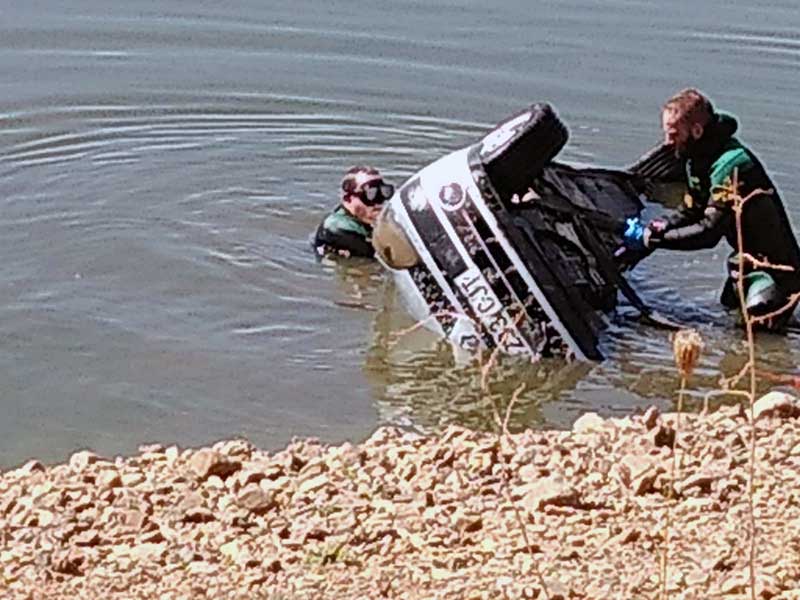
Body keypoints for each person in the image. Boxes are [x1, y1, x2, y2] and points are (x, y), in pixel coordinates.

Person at [642, 88, 800, 330]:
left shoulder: (732, 166)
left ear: (697, 131)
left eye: (674, 135)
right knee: (728, 309)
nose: (667, 143)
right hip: (744, 261)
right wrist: (662, 225)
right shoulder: (697, 159)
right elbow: (692, 210)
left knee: (757, 331)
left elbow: (708, 233)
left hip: (775, 272)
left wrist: (654, 241)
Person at [314, 166, 394, 259]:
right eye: (371, 194)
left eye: (384, 192)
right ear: (348, 199)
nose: (379, 204)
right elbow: (383, 256)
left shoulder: (363, 220)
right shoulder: (336, 228)